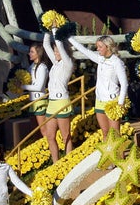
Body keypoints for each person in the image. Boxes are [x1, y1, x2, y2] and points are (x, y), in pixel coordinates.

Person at [68, 35, 128, 139]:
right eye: (97, 47)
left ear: (108, 47)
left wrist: (120, 103)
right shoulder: (100, 59)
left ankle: (119, 155)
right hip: (100, 101)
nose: (97, 49)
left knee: (115, 135)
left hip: (112, 102)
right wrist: (67, 36)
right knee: (105, 133)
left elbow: (124, 84)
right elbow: (83, 50)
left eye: (100, 47)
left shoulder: (117, 62)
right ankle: (106, 155)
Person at [43, 31, 74, 162]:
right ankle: (56, 163)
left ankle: (68, 162)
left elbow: (61, 46)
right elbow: (45, 45)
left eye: (58, 52)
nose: (56, 54)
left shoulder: (68, 64)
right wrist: (46, 28)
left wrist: (56, 31)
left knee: (65, 135)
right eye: (55, 52)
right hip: (52, 102)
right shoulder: (55, 64)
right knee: (50, 136)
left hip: (62, 101)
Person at [21, 43, 50, 139]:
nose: (30, 54)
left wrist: (22, 86)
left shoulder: (42, 67)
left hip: (40, 101)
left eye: (32, 52)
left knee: (43, 130)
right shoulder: (32, 66)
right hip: (32, 102)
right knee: (35, 131)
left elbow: (39, 87)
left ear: (39, 53)